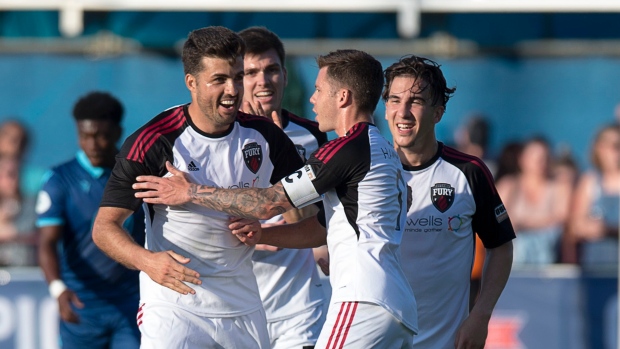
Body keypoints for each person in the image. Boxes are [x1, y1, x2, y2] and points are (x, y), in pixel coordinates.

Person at [134, 49, 418, 348]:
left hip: (364, 299)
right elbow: (321, 228)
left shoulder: (346, 148)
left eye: (319, 90)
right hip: (398, 307)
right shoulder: (383, 150)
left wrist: (190, 192)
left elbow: (270, 203)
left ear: (343, 97)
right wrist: (263, 234)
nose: (312, 99)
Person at [92, 26, 304, 348]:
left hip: (242, 306)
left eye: (236, 76)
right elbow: (105, 228)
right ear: (191, 82)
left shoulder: (267, 137)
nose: (232, 90)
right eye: (218, 79)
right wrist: (148, 262)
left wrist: (267, 233)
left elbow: (318, 221)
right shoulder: (153, 141)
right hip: (174, 304)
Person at [382, 55, 515, 348]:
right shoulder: (364, 171)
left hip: (444, 342)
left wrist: (481, 315)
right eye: (394, 100)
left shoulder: (469, 172)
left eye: (415, 101)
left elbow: (501, 247)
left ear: (438, 113)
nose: (402, 112)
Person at [238, 26, 328, 349]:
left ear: (285, 76)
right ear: (236, 78)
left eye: (271, 70)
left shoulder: (311, 136)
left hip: (297, 309)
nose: (263, 81)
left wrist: (281, 157)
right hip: (235, 307)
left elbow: (315, 223)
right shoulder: (220, 136)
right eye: (251, 72)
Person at [36, 91, 144, 349]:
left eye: (101, 136)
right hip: (82, 305)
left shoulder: (138, 176)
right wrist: (58, 289)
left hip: (131, 303)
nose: (92, 144)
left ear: (118, 133)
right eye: (85, 136)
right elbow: (47, 243)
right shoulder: (59, 180)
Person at [496, 136, 570, 265]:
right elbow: (497, 220)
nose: (541, 162)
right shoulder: (508, 186)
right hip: (513, 259)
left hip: (550, 257)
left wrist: (523, 223)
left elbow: (562, 219)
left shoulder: (560, 186)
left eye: (545, 157)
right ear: (522, 159)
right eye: (535, 158)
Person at [567, 123, 620, 267]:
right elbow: (574, 226)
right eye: (608, 146)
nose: (614, 152)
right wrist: (587, 228)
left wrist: (609, 230)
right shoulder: (590, 181)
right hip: (595, 269)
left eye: (617, 145)